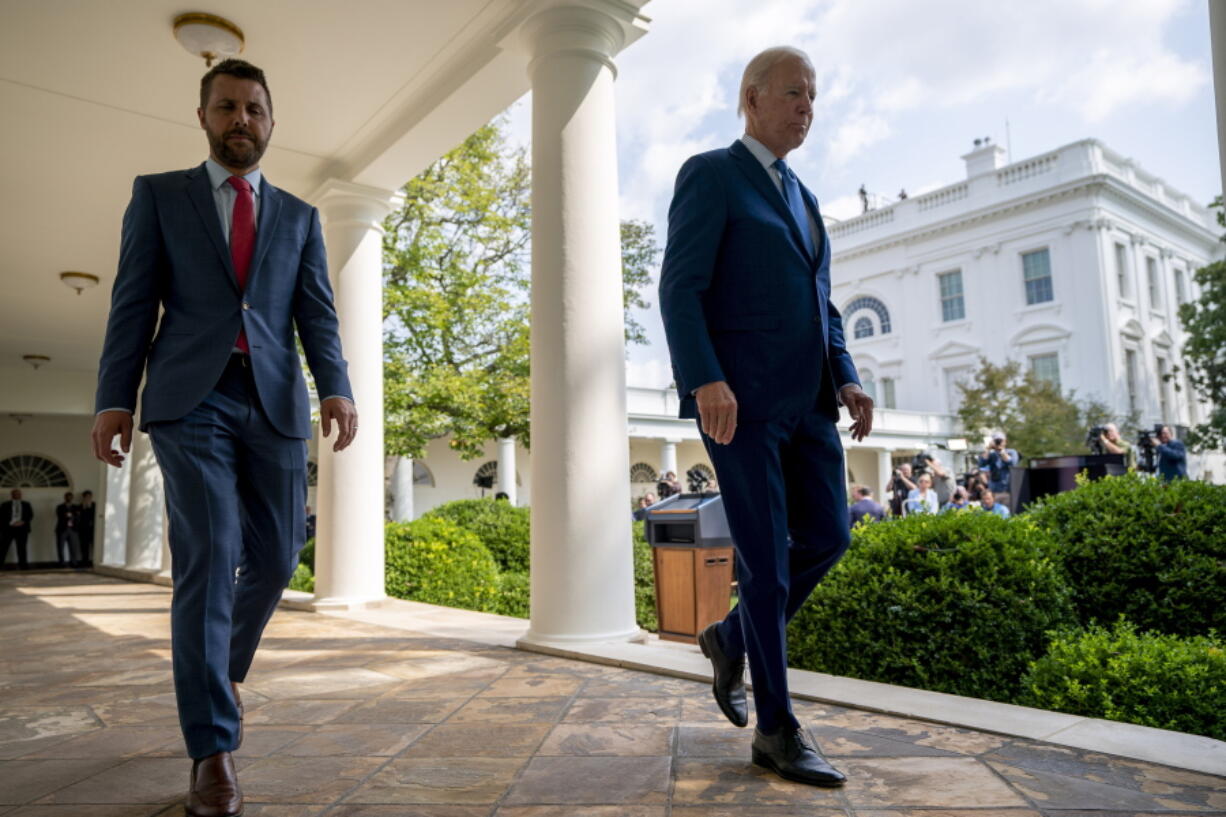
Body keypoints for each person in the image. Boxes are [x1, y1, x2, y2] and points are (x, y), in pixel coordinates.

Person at [90, 58, 357, 817]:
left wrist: (335, 384)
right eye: (228, 107)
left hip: (274, 400)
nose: (242, 119)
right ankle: (213, 747)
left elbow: (318, 316)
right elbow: (133, 300)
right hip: (188, 398)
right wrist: (114, 396)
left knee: (275, 557)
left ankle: (218, 669)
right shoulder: (159, 196)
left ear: (271, 122)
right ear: (203, 116)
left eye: (255, 110)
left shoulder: (301, 217)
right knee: (211, 553)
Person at [659, 45, 872, 788]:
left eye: (813, 97)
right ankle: (776, 731)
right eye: (792, 94)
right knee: (765, 565)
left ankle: (729, 635)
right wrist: (705, 377)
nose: (806, 108)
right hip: (739, 408)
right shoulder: (711, 175)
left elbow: (826, 304)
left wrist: (845, 376)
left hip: (810, 407)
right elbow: (680, 288)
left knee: (829, 536)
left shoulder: (808, 200)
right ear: (751, 98)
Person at [978, 433, 1019, 508]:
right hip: (994, 491)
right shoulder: (991, 454)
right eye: (996, 440)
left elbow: (1012, 463)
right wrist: (988, 448)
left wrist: (1001, 451)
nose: (998, 442)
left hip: (1007, 489)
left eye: (1000, 440)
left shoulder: (1011, 452)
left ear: (1005, 442)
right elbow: (981, 464)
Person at [1, 489, 34, 570]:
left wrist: (22, 522)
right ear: (11, 495)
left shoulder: (26, 504)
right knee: (3, 548)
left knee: (22, 548)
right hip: (8, 529)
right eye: (15, 494)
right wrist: (10, 523)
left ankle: (23, 566)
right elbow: (1, 516)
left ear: (21, 495)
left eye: (18, 494)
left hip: (22, 529)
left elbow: (30, 515)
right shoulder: (5, 504)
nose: (17, 495)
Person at [54, 492, 82, 567]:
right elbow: (60, 515)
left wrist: (69, 515)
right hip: (62, 529)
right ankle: (61, 563)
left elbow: (78, 517)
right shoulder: (60, 507)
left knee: (73, 547)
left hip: (73, 530)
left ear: (72, 498)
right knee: (60, 547)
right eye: (67, 497)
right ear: (65, 497)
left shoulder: (76, 507)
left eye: (70, 497)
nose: (69, 498)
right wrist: (72, 515)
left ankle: (74, 562)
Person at [78, 490, 97, 566]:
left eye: (90, 497)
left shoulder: (94, 505)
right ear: (84, 497)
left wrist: (89, 507)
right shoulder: (80, 506)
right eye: (86, 497)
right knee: (84, 546)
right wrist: (84, 507)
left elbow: (95, 516)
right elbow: (80, 517)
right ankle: (84, 561)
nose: (88, 498)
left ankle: (95, 561)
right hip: (83, 529)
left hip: (93, 529)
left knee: (94, 545)